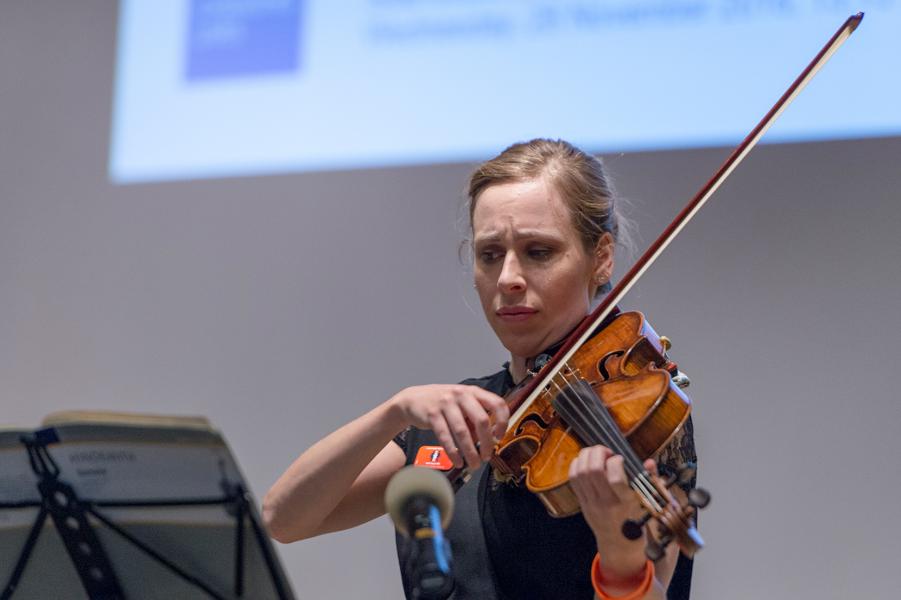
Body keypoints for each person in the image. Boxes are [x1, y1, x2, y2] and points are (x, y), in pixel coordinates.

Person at [263, 139, 697, 599]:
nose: (508, 278)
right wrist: (394, 411)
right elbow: (284, 519)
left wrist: (617, 547)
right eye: (490, 254)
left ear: (602, 257)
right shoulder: (457, 421)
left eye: (539, 251)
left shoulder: (634, 418)